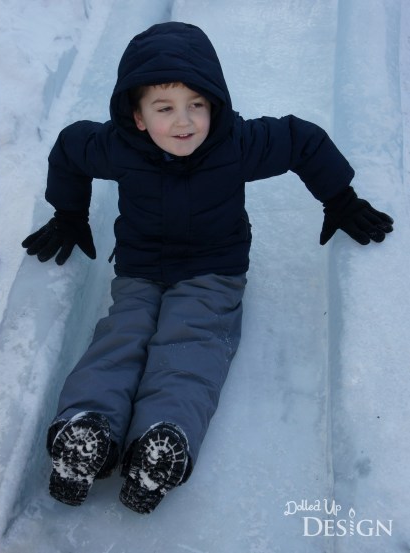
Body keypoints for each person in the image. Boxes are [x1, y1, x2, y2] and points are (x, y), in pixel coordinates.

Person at [22, 22, 393, 514]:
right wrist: (68, 214)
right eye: (164, 108)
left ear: (214, 104)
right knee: (123, 334)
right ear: (137, 116)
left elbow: (301, 140)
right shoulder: (119, 146)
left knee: (192, 339)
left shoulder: (235, 143)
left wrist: (340, 199)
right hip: (140, 268)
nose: (184, 121)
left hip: (213, 270)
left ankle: (162, 438)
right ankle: (87, 427)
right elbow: (71, 148)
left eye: (196, 104)